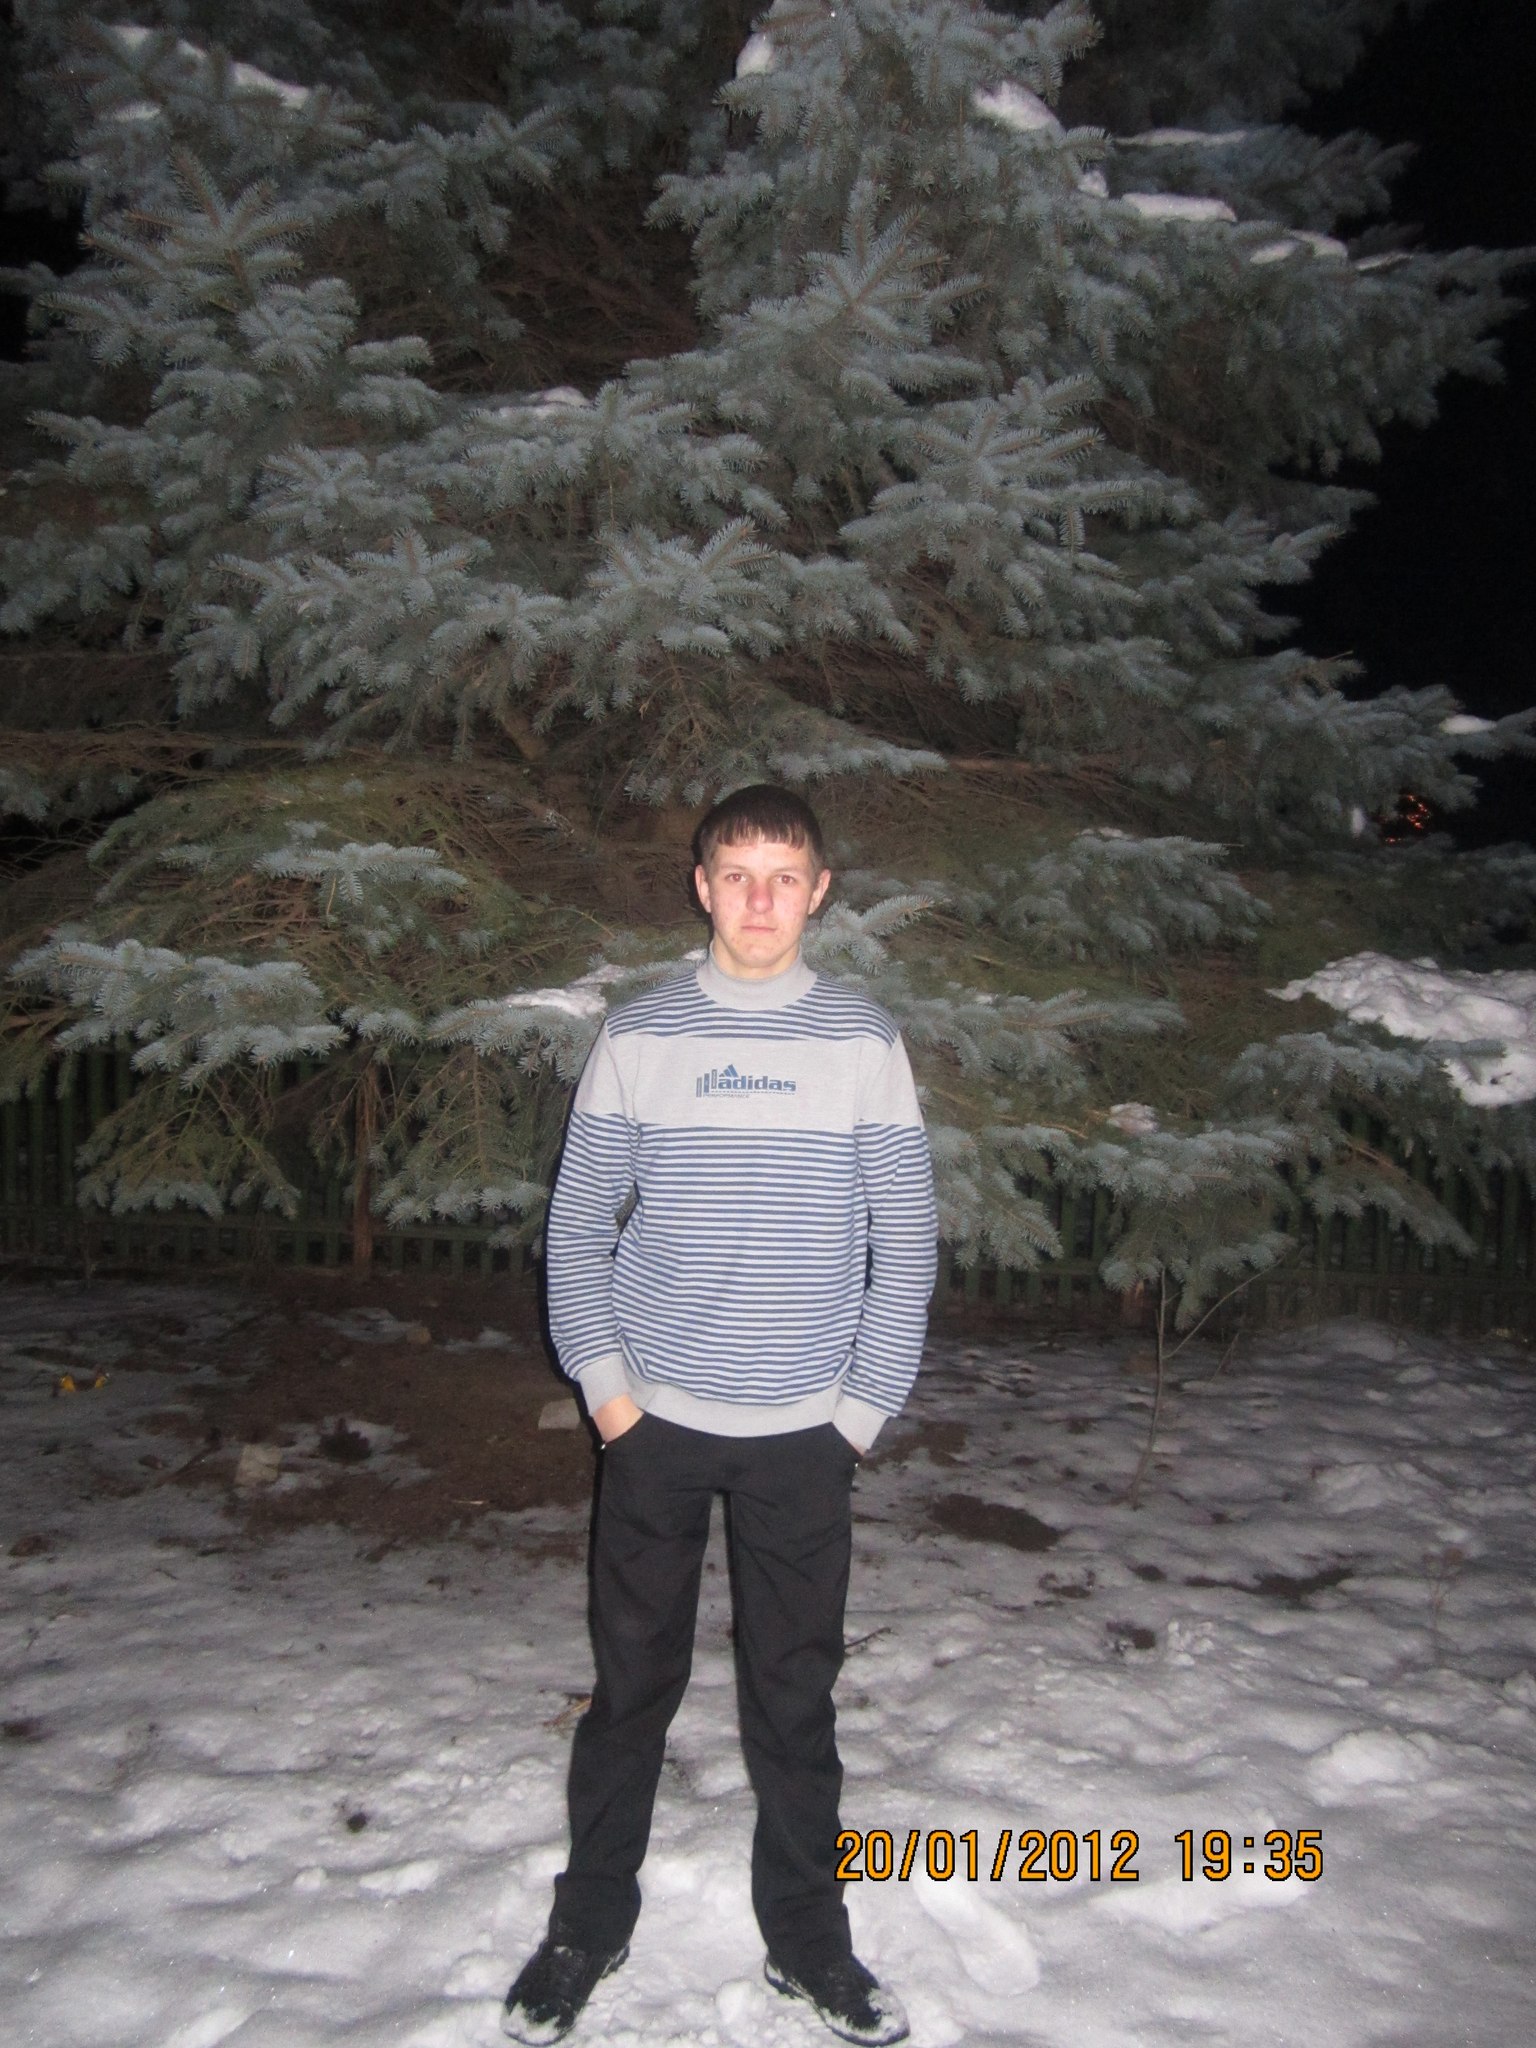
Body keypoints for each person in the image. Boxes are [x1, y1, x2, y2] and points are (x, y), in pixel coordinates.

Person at [502, 784, 937, 2047]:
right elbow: (578, 1228)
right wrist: (611, 1394)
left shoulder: (862, 1040)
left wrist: (858, 1412)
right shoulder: (641, 1033)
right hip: (657, 1423)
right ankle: (588, 1923)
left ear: (819, 890)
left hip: (806, 1434)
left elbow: (905, 1239)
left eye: (783, 874)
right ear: (701, 885)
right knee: (630, 1688)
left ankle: (809, 1941)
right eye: (736, 873)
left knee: (794, 1702)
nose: (759, 898)